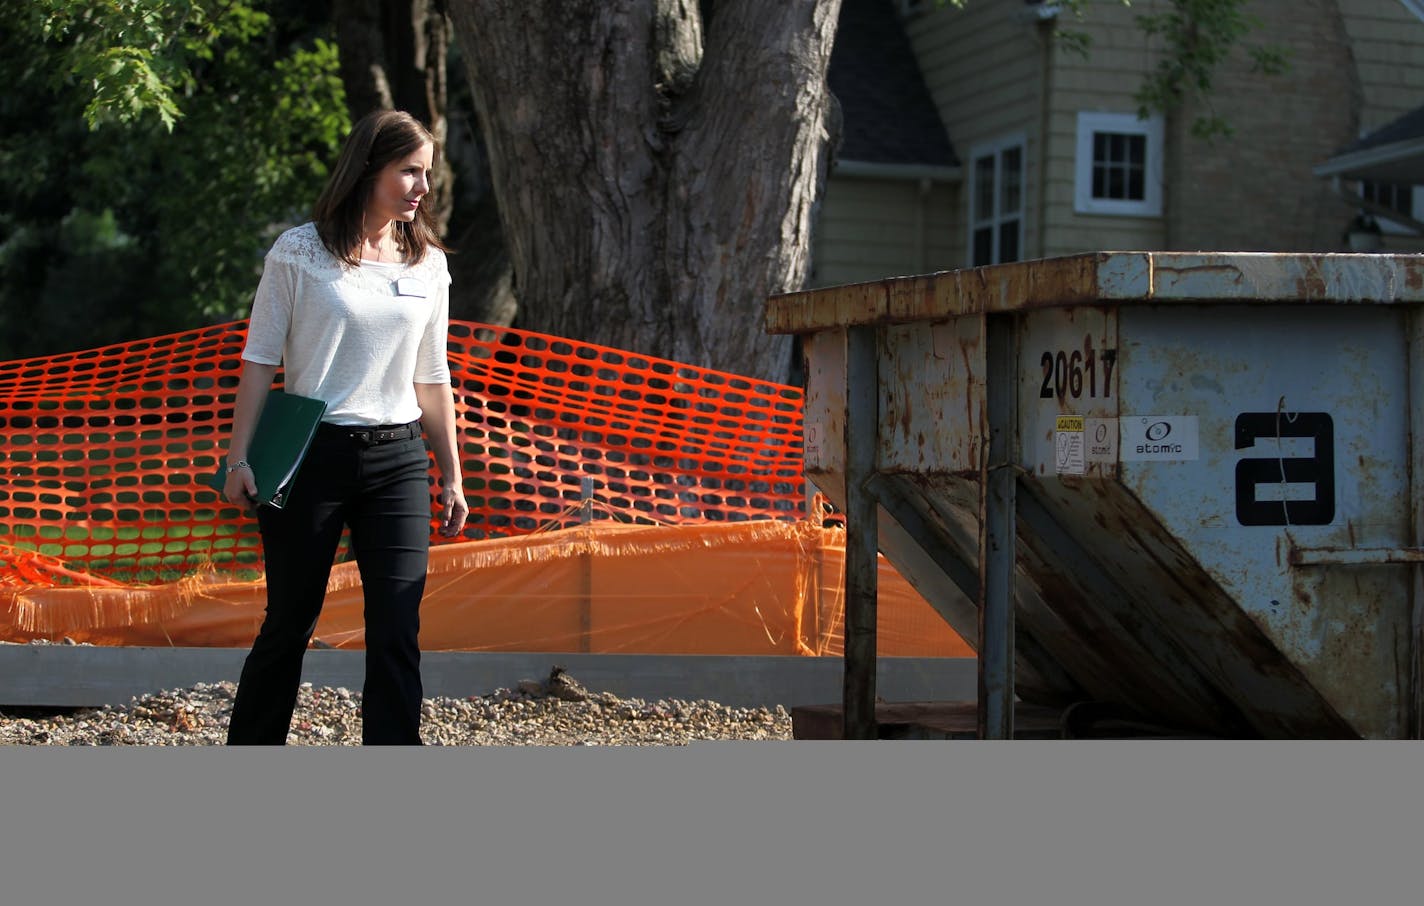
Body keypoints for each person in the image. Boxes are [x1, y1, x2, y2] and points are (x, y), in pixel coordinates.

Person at [220, 109, 469, 745]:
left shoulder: (429, 264)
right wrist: (237, 458)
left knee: (395, 628)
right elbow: (258, 361)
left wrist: (452, 477)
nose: (422, 187)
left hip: (399, 459)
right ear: (368, 168)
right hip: (311, 459)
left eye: (427, 174)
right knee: (290, 622)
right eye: (409, 171)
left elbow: (432, 374)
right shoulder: (299, 251)